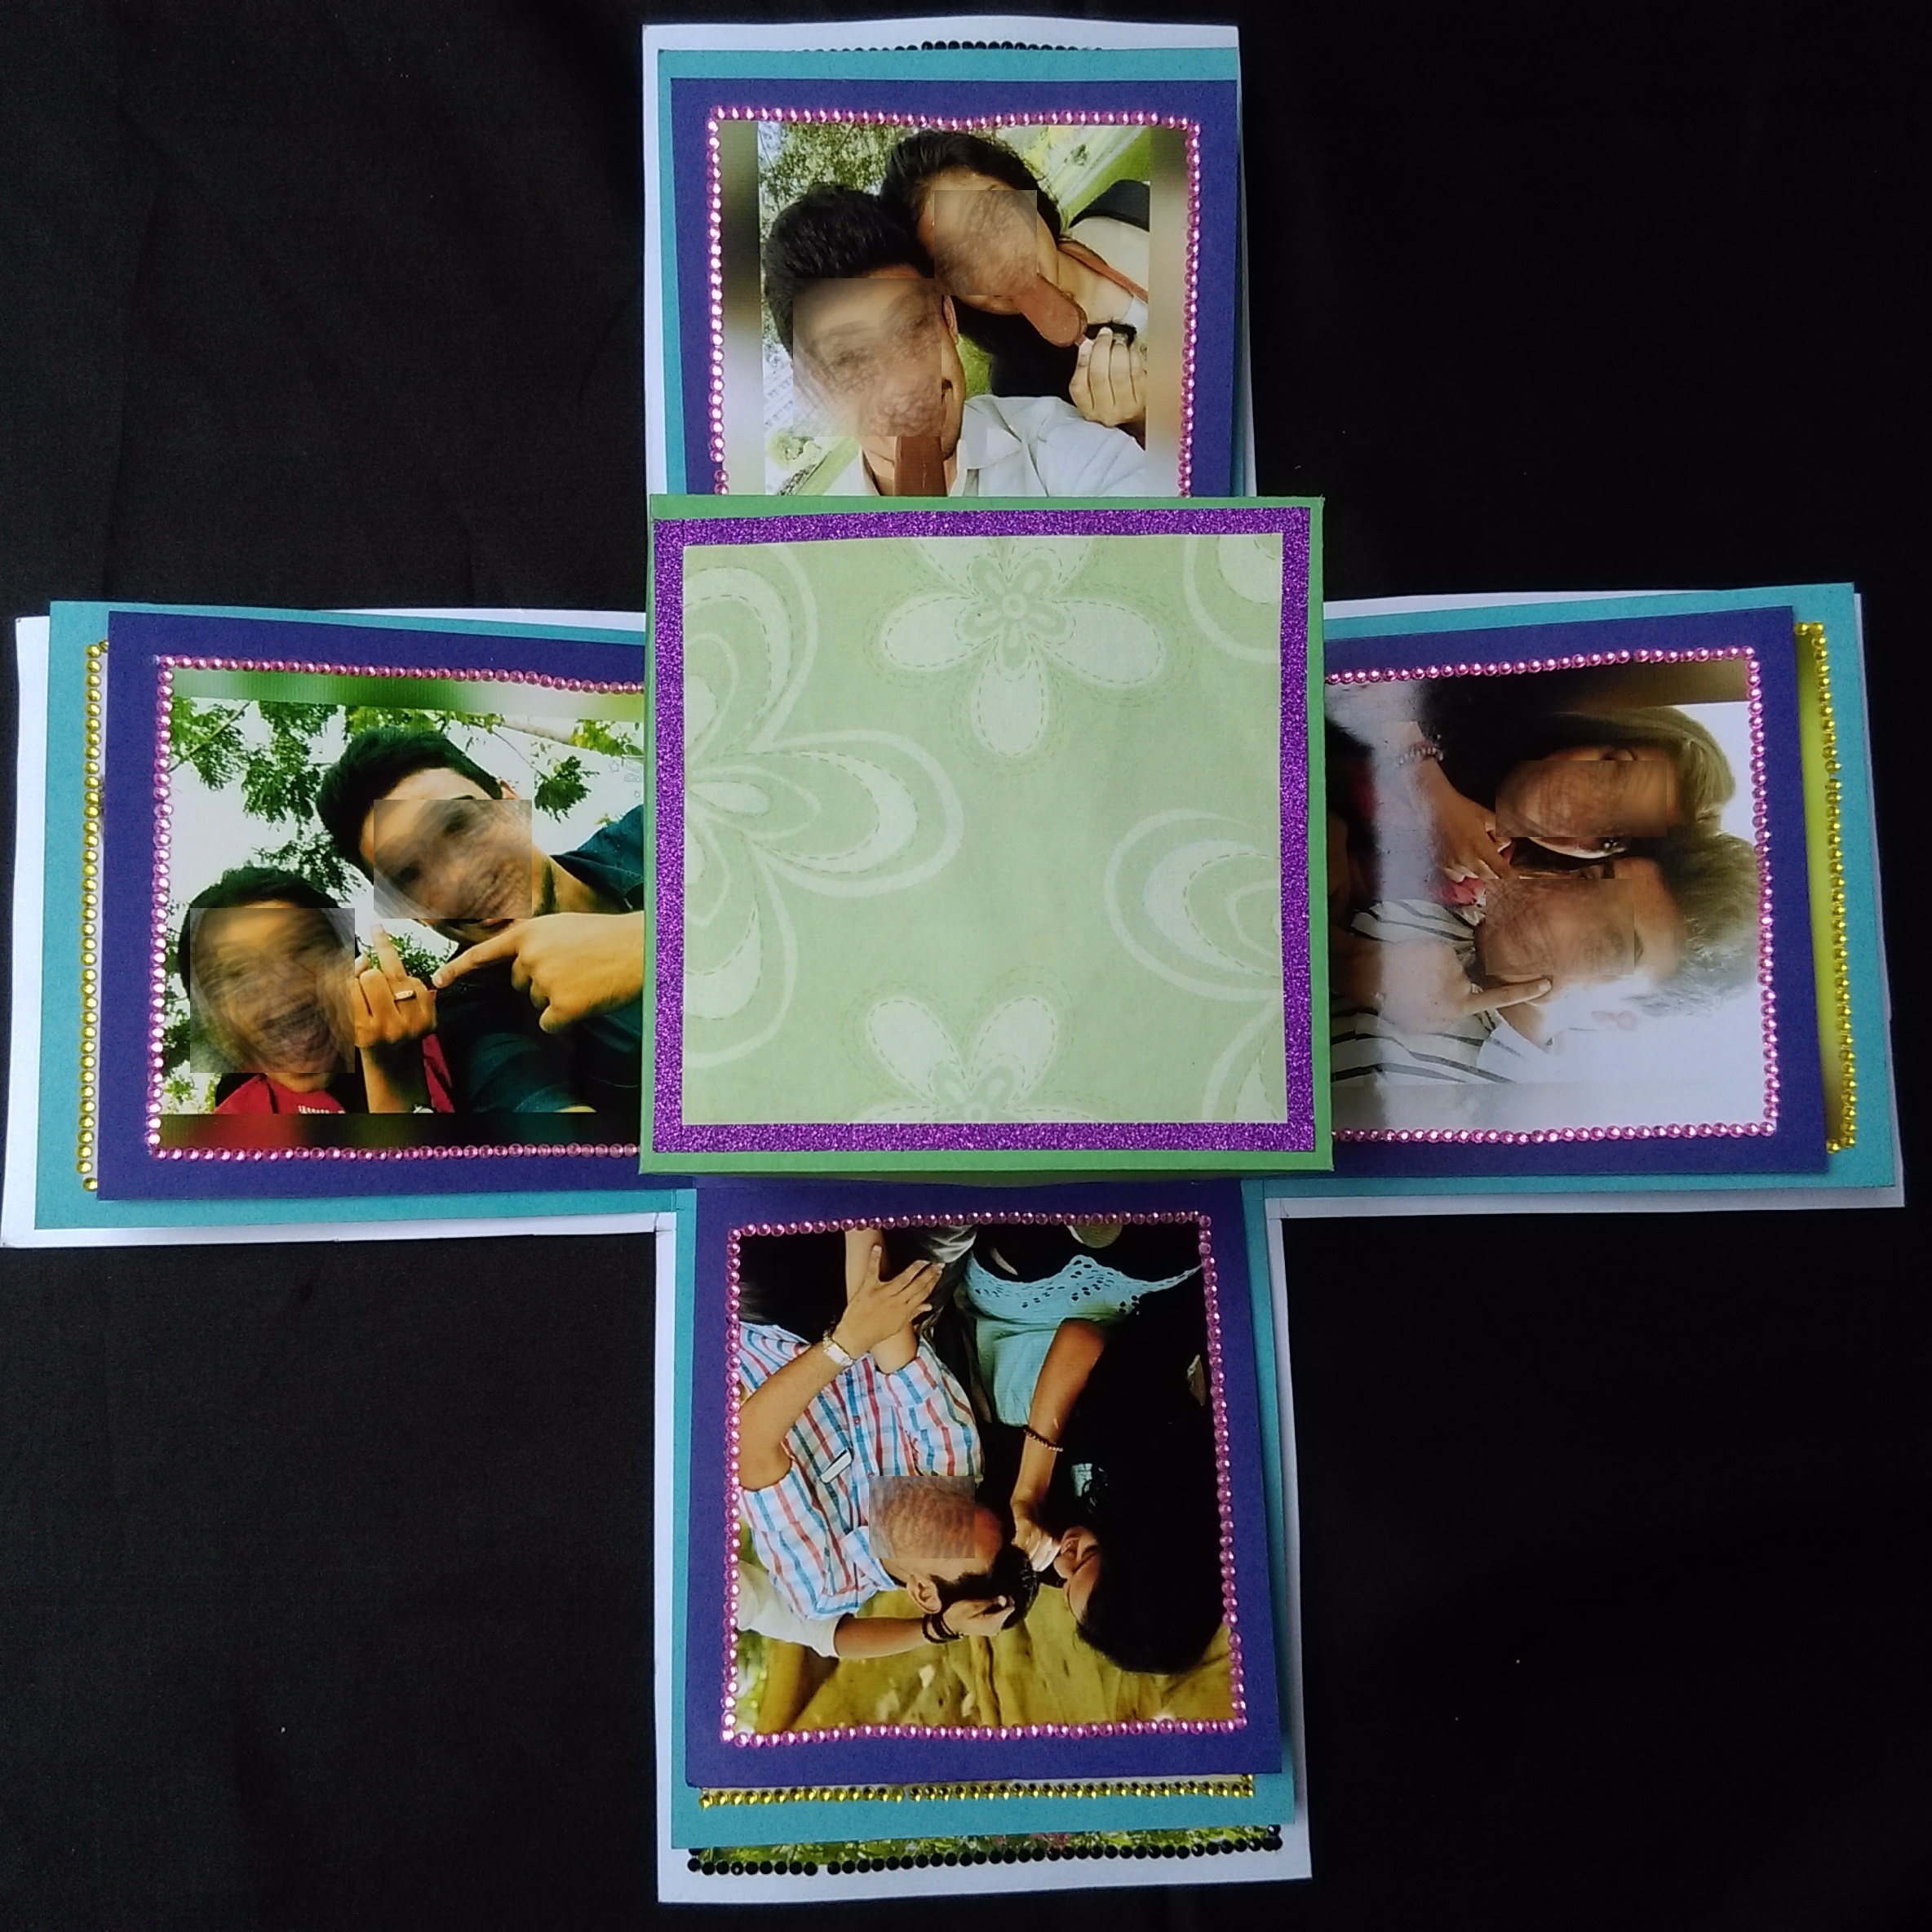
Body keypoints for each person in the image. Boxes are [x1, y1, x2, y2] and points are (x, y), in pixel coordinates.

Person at [314, 726, 643, 1122]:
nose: (458, 880)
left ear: (511, 800)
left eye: (460, 825)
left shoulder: (657, 834)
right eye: (410, 875)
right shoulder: (475, 1017)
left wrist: (654, 944)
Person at [945, 1220, 1227, 1676]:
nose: (1064, 1557)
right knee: (1158, 1255)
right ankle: (1103, 1220)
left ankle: (1085, 1217)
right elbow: (1080, 1340)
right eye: (1088, 1557)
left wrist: (939, 1621)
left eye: (1066, 1581)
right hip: (1125, 1301)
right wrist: (1030, 1490)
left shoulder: (1038, 1552)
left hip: (1015, 1312)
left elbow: (893, 1514)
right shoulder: (1155, 1469)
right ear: (1140, 1545)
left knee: (1031, 1252)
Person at [734, 1226, 1036, 1635]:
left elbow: (750, 1442)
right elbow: (885, 1322)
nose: (938, 1500)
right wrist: (862, 1209)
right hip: (868, 1307)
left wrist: (846, 1342)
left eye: (946, 1530)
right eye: (960, 1506)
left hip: (769, 1329)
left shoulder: (826, 1581)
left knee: (755, 1263)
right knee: (950, 1228)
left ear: (923, 1592)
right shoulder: (957, 1466)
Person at [762, 184, 1149, 498]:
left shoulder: (1051, 443)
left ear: (948, 319)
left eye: (913, 327)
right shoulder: (816, 550)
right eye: (851, 360)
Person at [1330, 825, 1761, 1084]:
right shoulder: (1458, 919)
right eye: (1590, 882)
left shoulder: (1480, 1122)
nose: (1557, 912)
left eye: (1606, 942)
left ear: (1617, 1016)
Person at [879, 130, 1152, 430]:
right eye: (958, 261)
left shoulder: (1131, 203)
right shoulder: (1026, 402)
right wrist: (1141, 424)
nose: (1000, 260)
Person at [177, 866, 450, 1114]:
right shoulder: (231, 1131)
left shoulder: (456, 1021)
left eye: (301, 950)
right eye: (237, 974)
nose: (277, 987)